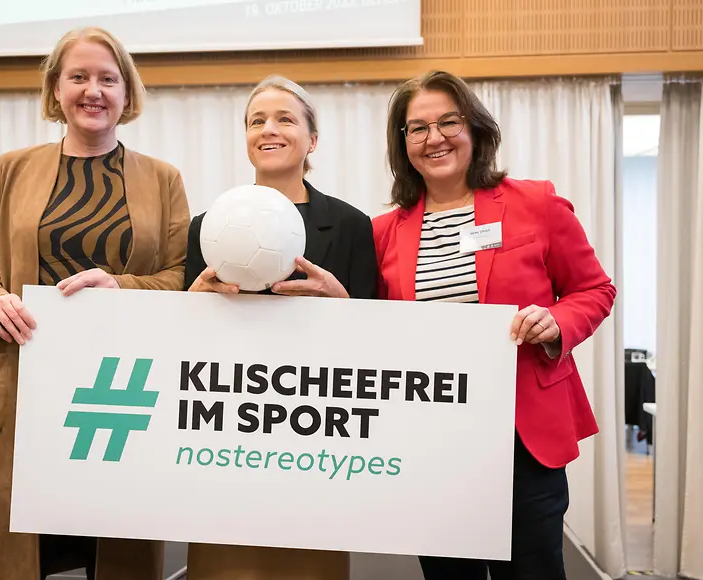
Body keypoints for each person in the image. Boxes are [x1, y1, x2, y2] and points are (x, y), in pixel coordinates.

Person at [0, 26, 190, 580]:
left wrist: (122, 287)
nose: (93, 90)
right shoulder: (12, 169)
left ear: (127, 92)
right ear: (55, 90)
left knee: (113, 546)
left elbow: (181, 278)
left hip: (118, 392)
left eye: (108, 79)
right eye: (78, 77)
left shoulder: (163, 179)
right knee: (18, 553)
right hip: (27, 386)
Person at [371, 70, 616, 580]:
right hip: (432, 441)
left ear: (475, 128)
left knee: (532, 569)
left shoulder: (536, 204)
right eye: (418, 128)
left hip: (524, 435)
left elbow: (595, 290)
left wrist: (556, 320)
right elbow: (373, 326)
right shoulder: (383, 232)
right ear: (403, 143)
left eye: (449, 121)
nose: (434, 138)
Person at [183, 75, 378, 579]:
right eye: (256, 121)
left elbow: (376, 342)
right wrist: (191, 306)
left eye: (285, 119)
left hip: (316, 435)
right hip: (228, 431)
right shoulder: (206, 227)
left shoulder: (352, 226)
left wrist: (342, 302)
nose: (268, 129)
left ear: (312, 140)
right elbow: (186, 345)